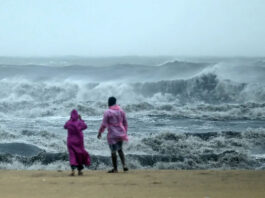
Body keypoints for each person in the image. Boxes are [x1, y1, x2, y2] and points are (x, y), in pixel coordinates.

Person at [97, 96, 129, 173]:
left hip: (112, 134)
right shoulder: (121, 111)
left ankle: (115, 169)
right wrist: (125, 132)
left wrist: (100, 132)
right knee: (120, 150)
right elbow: (125, 123)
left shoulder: (107, 112)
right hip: (121, 132)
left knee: (113, 151)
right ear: (115, 102)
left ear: (109, 102)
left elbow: (104, 124)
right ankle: (124, 165)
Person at [64, 109, 90, 176]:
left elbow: (65, 126)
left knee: (72, 155)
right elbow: (85, 126)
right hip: (79, 142)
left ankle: (72, 171)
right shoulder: (79, 123)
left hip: (70, 142)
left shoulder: (69, 122)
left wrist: (70, 120)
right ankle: (80, 171)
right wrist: (81, 119)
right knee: (79, 155)